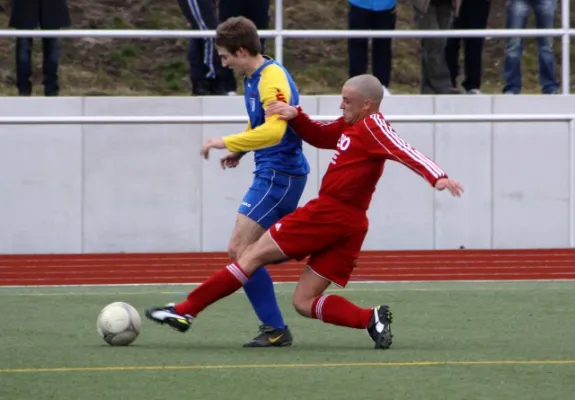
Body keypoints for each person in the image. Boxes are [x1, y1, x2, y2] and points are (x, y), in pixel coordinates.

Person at [145, 74, 464, 349]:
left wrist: (437, 175)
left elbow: (403, 148)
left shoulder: (372, 125)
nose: (341, 105)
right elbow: (322, 135)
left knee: (249, 254)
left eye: (346, 100)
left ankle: (186, 310)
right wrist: (295, 115)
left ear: (367, 104)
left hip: (328, 214)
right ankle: (371, 319)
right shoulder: (352, 125)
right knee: (304, 302)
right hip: (350, 223)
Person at [149, 17, 310, 347]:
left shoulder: (270, 78)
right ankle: (274, 326)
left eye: (224, 56)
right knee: (250, 251)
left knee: (241, 250)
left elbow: (276, 130)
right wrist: (242, 150)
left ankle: (269, 326)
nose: (222, 63)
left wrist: (228, 141)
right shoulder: (254, 77)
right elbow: (263, 129)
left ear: (241, 51)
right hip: (271, 171)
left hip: (280, 175)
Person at [9, 0, 71, 96]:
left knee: (51, 45)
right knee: (25, 45)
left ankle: (50, 88)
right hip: (25, 6)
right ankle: (24, 89)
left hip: (52, 6)